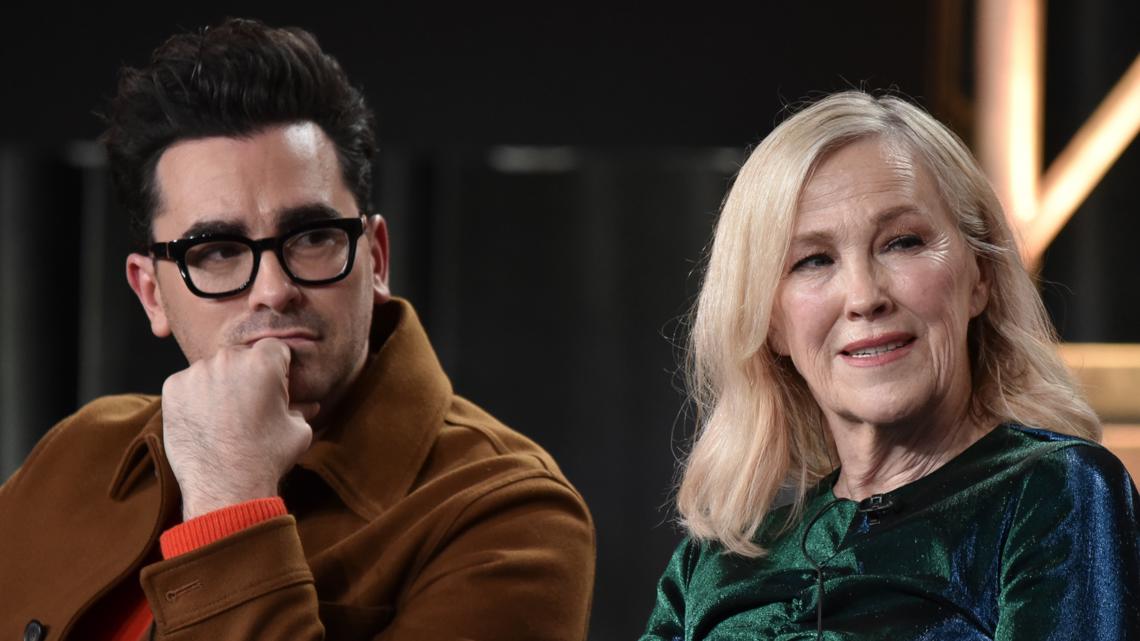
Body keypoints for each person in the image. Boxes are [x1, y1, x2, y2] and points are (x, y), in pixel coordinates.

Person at [0, 18, 594, 641]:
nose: (272, 288)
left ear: (376, 259)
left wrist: (230, 494)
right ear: (152, 294)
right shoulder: (80, 453)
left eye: (312, 237)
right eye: (217, 251)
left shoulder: (510, 514)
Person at [641, 91, 1140, 640]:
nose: (864, 296)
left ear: (980, 275)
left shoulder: (1052, 491)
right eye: (813, 260)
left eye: (902, 242)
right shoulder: (710, 564)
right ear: (771, 323)